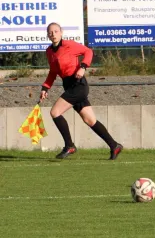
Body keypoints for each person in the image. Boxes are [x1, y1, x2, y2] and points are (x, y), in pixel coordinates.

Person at [40, 23, 123, 160]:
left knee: (55, 112)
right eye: (50, 32)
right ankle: (114, 145)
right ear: (48, 35)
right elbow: (53, 72)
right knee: (90, 120)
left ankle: (69, 146)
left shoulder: (69, 45)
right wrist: (45, 88)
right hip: (68, 85)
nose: (53, 34)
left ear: (61, 32)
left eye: (56, 31)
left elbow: (88, 52)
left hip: (78, 85)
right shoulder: (49, 52)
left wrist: (83, 67)